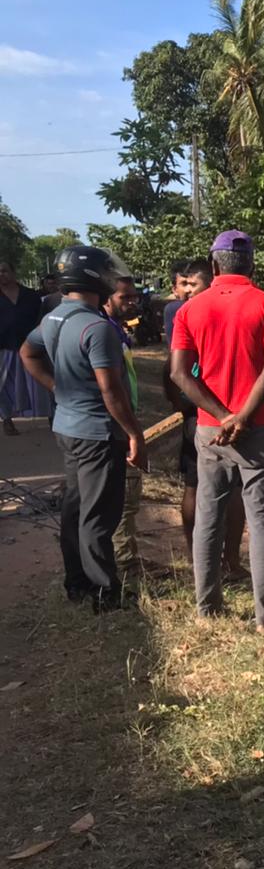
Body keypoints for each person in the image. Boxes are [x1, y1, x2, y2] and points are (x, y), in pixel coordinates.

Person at [171, 231, 264, 633]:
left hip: (209, 431)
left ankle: (208, 607)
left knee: (208, 516)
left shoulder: (190, 310)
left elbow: (179, 374)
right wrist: (242, 417)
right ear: (251, 264)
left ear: (214, 265)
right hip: (260, 428)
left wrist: (222, 416)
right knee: (262, 519)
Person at [19, 247, 147, 612]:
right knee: (98, 515)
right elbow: (112, 391)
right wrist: (135, 434)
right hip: (97, 434)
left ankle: (76, 583)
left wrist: (56, 387)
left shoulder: (54, 318)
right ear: (96, 278)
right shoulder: (96, 328)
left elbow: (28, 354)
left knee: (75, 508)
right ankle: (105, 593)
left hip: (67, 427)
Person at [162, 258, 247, 579]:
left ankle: (224, 560)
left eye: (191, 284)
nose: (185, 291)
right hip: (210, 409)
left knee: (222, 485)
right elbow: (172, 368)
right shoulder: (180, 312)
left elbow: (172, 369)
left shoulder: (188, 312)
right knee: (202, 485)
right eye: (181, 284)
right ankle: (213, 560)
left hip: (211, 407)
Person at [101, 272, 145, 600]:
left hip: (125, 417)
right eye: (124, 298)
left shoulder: (117, 329)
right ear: (107, 298)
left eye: (133, 297)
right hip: (117, 424)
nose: (131, 302)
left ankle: (127, 558)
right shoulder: (104, 331)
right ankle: (126, 565)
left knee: (127, 495)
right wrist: (131, 430)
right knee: (124, 496)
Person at [0, 260, 52, 435]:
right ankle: (7, 420)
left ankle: (52, 418)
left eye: (4, 271)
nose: (1, 275)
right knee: (4, 386)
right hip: (4, 348)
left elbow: (42, 319)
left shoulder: (31, 296)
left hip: (31, 347)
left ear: (14, 273)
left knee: (41, 381)